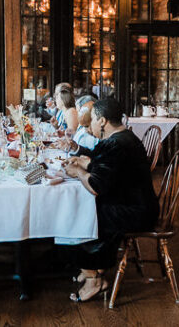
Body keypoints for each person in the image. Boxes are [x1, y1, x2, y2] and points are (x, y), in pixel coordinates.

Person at [62, 96, 159, 302]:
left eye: (94, 120)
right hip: (140, 205)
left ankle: (93, 278)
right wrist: (83, 161)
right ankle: (91, 269)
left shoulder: (116, 145)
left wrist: (78, 172)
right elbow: (108, 168)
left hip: (135, 212)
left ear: (103, 121)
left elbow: (97, 186)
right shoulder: (124, 138)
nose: (91, 125)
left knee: (82, 212)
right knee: (84, 208)